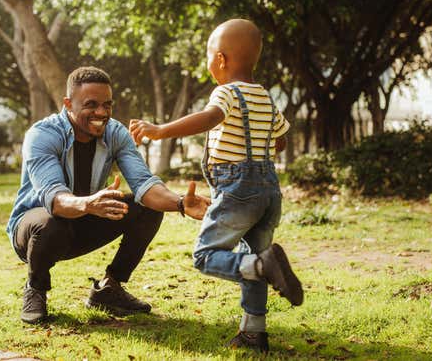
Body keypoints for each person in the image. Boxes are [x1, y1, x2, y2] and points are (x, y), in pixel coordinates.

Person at [129, 19, 303, 352]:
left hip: (239, 189)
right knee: (256, 252)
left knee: (206, 256)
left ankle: (263, 268)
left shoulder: (226, 92)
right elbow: (280, 139)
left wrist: (161, 130)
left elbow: (210, 117)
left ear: (220, 59)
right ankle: (254, 332)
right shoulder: (265, 96)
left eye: (208, 56)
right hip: (269, 191)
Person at [6, 66, 210, 324]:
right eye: (91, 105)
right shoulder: (42, 134)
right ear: (68, 103)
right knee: (50, 222)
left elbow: (144, 184)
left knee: (147, 208)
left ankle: (109, 289)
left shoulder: (115, 133)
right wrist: (87, 203)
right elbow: (54, 198)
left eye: (107, 105)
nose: (101, 113)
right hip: (36, 231)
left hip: (84, 219)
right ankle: (35, 289)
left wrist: (179, 203)